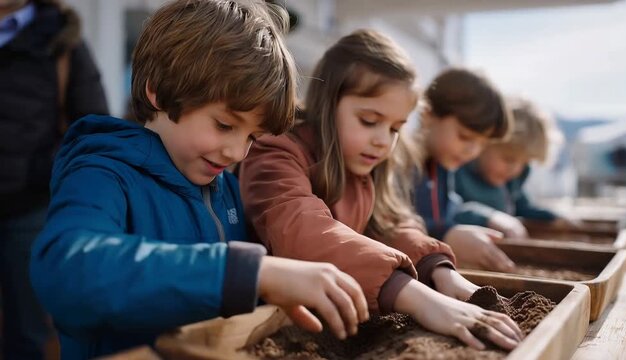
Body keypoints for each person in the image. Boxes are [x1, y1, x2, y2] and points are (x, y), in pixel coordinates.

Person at [29, 1, 367, 358]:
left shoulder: (229, 191)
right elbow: (66, 268)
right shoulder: (103, 173)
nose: (238, 153)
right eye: (224, 125)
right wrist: (249, 273)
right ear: (157, 89)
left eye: (252, 137)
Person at [240, 30, 522, 351]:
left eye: (395, 128)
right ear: (328, 102)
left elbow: (392, 222)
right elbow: (302, 230)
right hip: (264, 321)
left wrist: (438, 269)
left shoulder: (367, 166)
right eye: (369, 120)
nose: (383, 140)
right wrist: (412, 294)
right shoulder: (276, 152)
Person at [0, 0, 108, 358]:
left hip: (29, 211)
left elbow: (91, 127)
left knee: (29, 332)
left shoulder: (63, 40)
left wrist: (43, 171)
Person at [411, 68, 517, 272]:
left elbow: (450, 208)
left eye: (482, 144)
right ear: (428, 115)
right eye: (465, 137)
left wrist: (488, 218)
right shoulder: (402, 166)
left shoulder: (440, 165)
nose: (472, 151)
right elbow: (392, 224)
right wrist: (447, 234)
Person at [454, 97, 573, 238]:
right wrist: (490, 218)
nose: (516, 170)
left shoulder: (511, 181)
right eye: (508, 159)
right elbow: (449, 211)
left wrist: (553, 217)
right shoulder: (458, 173)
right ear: (483, 144)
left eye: (525, 162)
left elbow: (522, 208)